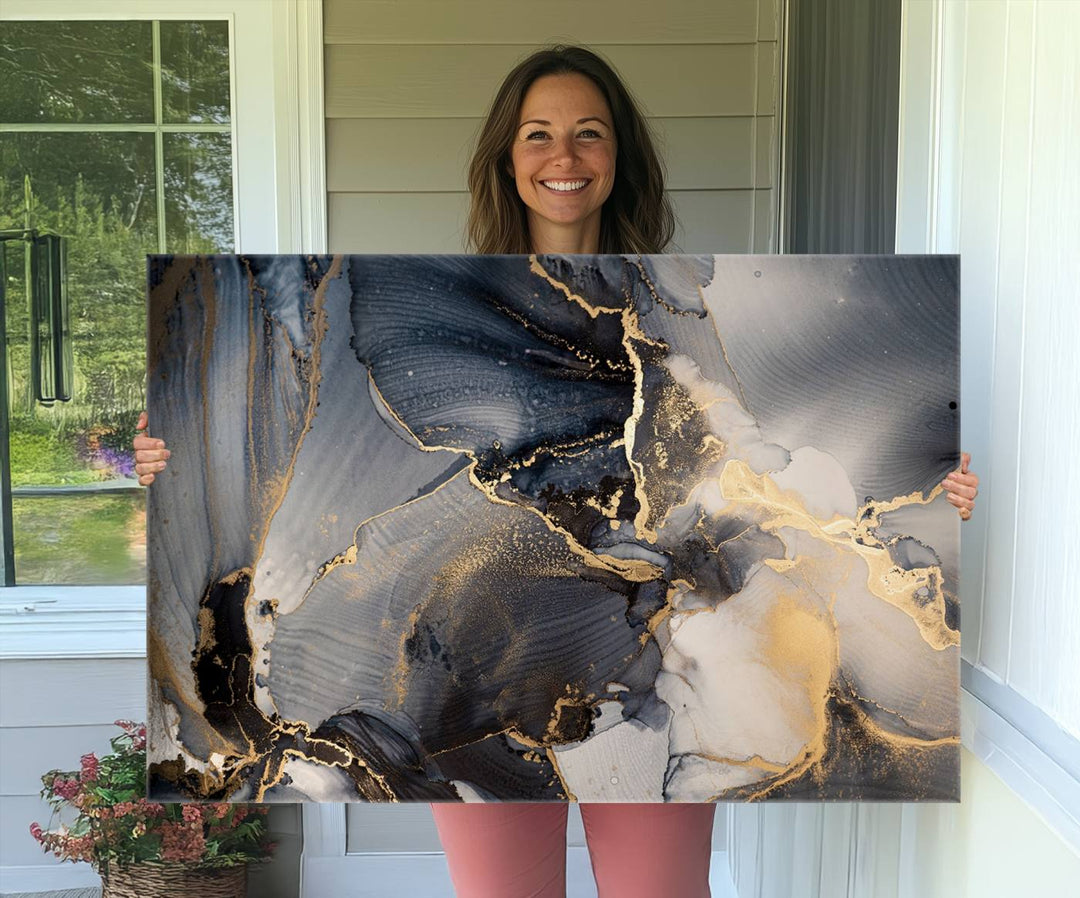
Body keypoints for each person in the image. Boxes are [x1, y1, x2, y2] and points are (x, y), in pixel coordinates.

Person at [134, 45, 980, 898]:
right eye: (538, 135)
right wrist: (168, 459)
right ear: (508, 158)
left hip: (666, 655)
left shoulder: (688, 302)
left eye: (588, 134)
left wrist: (933, 504)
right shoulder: (430, 295)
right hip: (474, 646)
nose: (563, 157)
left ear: (619, 158)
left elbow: (769, 457)